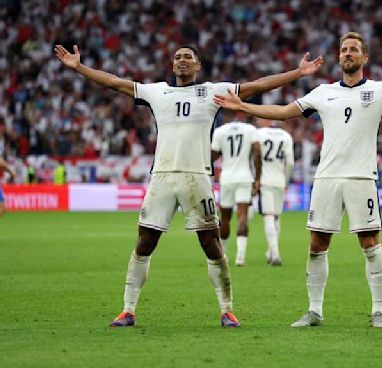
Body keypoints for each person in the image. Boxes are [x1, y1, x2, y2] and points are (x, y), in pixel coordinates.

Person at [214, 31, 382, 328]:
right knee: (317, 243)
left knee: (370, 243)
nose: (347, 53)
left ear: (364, 57)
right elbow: (283, 112)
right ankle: (314, 311)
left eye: (354, 50)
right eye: (344, 49)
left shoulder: (381, 91)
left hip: (361, 177)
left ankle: (379, 311)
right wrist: (244, 107)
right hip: (327, 177)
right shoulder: (322, 92)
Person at [54, 43, 324, 328]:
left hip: (197, 177)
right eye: (178, 57)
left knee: (211, 243)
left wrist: (298, 72)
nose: (182, 61)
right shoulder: (157, 92)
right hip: (162, 177)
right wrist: (80, 68)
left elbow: (257, 86)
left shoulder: (212, 91)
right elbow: (114, 82)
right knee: (145, 242)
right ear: (172, 66)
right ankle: (128, 310)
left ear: (197, 66)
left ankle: (227, 310)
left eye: (188, 57)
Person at [211, 112, 258, 266]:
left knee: (225, 218)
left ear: (225, 116)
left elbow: (213, 155)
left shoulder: (220, 131)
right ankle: (241, 257)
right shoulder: (250, 129)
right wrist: (258, 178)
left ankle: (223, 255)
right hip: (245, 177)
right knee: (242, 216)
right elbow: (257, 153)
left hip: (227, 178)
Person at [252, 118, 294, 266]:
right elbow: (290, 163)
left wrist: (255, 179)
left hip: (265, 180)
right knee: (276, 217)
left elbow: (255, 157)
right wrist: (286, 181)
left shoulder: (258, 134)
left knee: (268, 216)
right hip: (280, 181)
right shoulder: (286, 135)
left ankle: (275, 254)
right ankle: (271, 251)